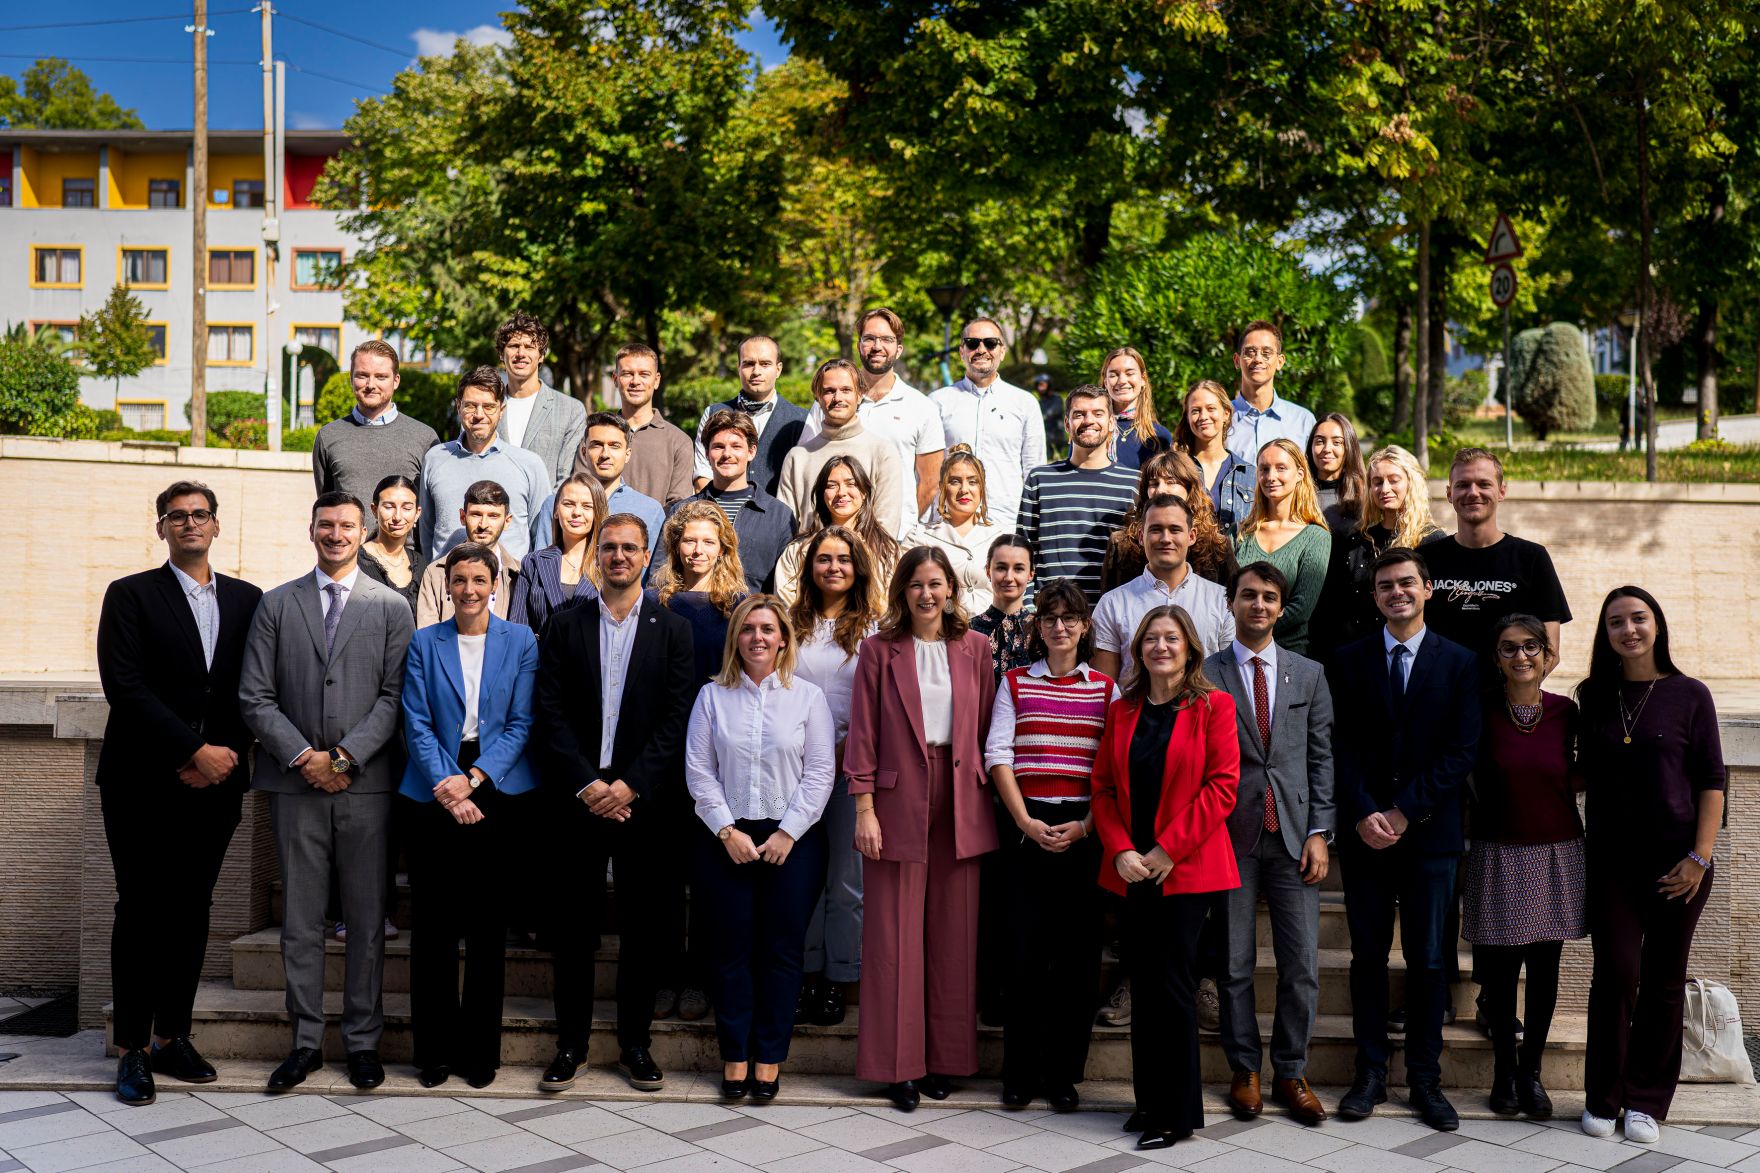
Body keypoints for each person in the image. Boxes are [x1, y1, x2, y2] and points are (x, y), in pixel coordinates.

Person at [239, 491, 415, 1093]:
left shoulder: (391, 608)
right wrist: (303, 757)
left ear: (363, 532)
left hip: (366, 787)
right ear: (310, 529)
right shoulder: (276, 605)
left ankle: (363, 1042)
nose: (335, 534)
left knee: (367, 920)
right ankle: (305, 1041)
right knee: (301, 920)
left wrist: (343, 757)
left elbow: (396, 698)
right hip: (294, 785)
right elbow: (254, 696)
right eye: (325, 525)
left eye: (346, 525)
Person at [97, 481, 264, 1107]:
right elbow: (126, 687)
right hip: (142, 781)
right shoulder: (131, 595)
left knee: (193, 909)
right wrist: (191, 751)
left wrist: (224, 756)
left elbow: (259, 687)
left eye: (200, 515)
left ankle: (174, 1037)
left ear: (217, 526)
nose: (190, 523)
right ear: (162, 528)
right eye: (177, 516)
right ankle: (132, 1049)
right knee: (140, 909)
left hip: (216, 782)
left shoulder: (249, 600)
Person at [533, 514, 696, 1093]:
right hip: (577, 799)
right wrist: (587, 784)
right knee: (573, 930)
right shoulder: (564, 623)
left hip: (643, 801)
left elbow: (678, 718)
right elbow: (547, 710)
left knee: (644, 928)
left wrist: (630, 785)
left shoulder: (672, 630)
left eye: (630, 547)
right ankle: (570, 1043)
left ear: (647, 555)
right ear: (596, 555)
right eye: (610, 547)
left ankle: (635, 1043)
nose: (619, 556)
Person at [1329, 547, 1479, 1132]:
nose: (1397, 592)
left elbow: (1461, 751)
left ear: (1428, 589)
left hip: (1430, 836)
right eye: (1386, 585)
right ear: (1375, 596)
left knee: (1429, 960)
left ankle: (1425, 1078)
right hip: (1365, 836)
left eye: (1407, 583)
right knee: (1367, 957)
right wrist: (1367, 811)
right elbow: (1337, 745)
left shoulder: (1461, 663)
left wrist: (1403, 811)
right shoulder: (1347, 661)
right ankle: (1369, 1073)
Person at [845, 545, 999, 1112]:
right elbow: (861, 733)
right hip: (895, 798)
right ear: (902, 591)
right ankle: (898, 1066)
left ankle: (946, 1061)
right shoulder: (879, 651)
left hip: (962, 795)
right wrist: (864, 809)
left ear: (952, 590)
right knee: (893, 935)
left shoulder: (976, 648)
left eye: (936, 584)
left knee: (954, 934)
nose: (927, 594)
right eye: (916, 585)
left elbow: (986, 728)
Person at [1577, 587, 1725, 1144]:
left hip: (1679, 864)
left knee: (1664, 980)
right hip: (1611, 862)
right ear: (1606, 634)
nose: (1629, 629)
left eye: (1638, 618)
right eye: (1616, 622)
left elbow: (1712, 779)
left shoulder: (1690, 694)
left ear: (1657, 625)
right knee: (1615, 974)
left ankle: (1646, 1102)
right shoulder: (1594, 695)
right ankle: (1603, 1096)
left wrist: (1699, 857)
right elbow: (1579, 772)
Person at [1091, 604, 1240, 1149]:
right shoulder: (1123, 711)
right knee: (1145, 984)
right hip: (1131, 869)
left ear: (1190, 647)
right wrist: (1122, 850)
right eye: (1151, 638)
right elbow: (1103, 789)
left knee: (1174, 987)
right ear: (1138, 650)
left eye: (1171, 638)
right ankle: (1147, 1100)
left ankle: (1176, 1114)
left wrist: (1166, 850)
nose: (1160, 647)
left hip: (1187, 870)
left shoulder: (1213, 706)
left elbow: (1222, 788)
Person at [398, 543, 540, 1090]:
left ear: (495, 584)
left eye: (479, 579)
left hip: (497, 786)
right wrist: (449, 788)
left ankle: (480, 1051)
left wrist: (474, 780)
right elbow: (415, 722)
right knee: (432, 928)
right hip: (432, 788)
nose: (469, 589)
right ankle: (432, 1051)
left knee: (486, 929)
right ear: (447, 584)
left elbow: (522, 723)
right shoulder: (424, 642)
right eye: (459, 580)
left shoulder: (522, 640)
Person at [685, 595, 835, 1101]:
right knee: (729, 951)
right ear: (735, 638)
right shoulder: (712, 697)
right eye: (748, 629)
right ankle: (735, 1055)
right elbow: (699, 770)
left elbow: (819, 773)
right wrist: (727, 831)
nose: (758, 638)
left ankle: (769, 1057)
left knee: (780, 951)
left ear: (784, 638)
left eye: (768, 629)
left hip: (793, 840)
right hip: (724, 838)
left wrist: (787, 832)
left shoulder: (808, 698)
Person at [1205, 562, 1334, 1127]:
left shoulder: (1309, 674)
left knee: (1301, 965)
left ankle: (1291, 1070)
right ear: (1231, 604)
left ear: (1282, 608)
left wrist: (1319, 833)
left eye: (1270, 598)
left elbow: (1321, 759)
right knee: (1233, 965)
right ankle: (1244, 1069)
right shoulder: (1205, 673)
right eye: (1249, 596)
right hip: (1229, 838)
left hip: (1293, 838)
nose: (1259, 605)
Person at [985, 578, 1116, 1112]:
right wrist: (1025, 822)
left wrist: (1085, 826)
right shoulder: (1015, 682)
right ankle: (1018, 1073)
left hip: (1085, 833)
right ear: (1037, 628)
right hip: (1025, 830)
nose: (1059, 627)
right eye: (1049, 619)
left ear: (1085, 627)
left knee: (1078, 961)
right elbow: (998, 754)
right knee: (1023, 957)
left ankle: (1063, 1075)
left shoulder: (1106, 690)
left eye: (1069, 619)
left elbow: (1111, 770)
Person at [1464, 615, 1584, 1122]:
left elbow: (1586, 771)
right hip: (1498, 849)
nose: (1521, 657)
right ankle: (1502, 1072)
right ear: (1497, 658)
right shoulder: (1481, 711)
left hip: (1556, 850)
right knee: (1501, 968)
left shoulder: (1566, 713)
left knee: (1544, 968)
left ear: (1546, 655)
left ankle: (1531, 1072)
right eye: (1509, 648)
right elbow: (1464, 771)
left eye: (1531, 647)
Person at [651, 502, 748, 1022]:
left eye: (708, 541)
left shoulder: (739, 606)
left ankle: (702, 976)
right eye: (689, 540)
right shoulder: (655, 602)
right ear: (676, 546)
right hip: (664, 756)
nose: (697, 550)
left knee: (710, 873)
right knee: (665, 875)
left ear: (724, 547)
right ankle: (666, 972)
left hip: (719, 757)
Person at [789, 525, 884, 1027]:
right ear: (810, 568)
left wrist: (846, 750)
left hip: (851, 769)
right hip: (796, 772)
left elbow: (876, 704)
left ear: (858, 567)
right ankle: (803, 974)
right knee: (805, 878)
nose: (833, 567)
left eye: (844, 559)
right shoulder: (791, 622)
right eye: (823, 559)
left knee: (847, 882)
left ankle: (837, 978)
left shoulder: (874, 626)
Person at [1423, 447, 1572, 677]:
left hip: (1504, 704)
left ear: (1501, 491)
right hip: (1441, 702)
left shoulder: (1531, 557)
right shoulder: (1425, 559)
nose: (1473, 492)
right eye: (1462, 485)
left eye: (1484, 484)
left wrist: (1515, 696)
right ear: (1449, 493)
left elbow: (1550, 651)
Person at [802, 307, 947, 533]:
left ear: (898, 349)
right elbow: (808, 464)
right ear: (859, 345)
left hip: (895, 538)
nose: (877, 346)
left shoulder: (921, 407)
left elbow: (930, 483)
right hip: (833, 535)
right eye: (869, 339)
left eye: (886, 339)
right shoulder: (830, 402)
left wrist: (900, 523)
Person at [1014, 384, 1140, 605]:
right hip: (1052, 617)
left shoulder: (1134, 484)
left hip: (1112, 617)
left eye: (1098, 413)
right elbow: (1023, 551)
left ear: (1111, 423)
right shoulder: (1040, 480)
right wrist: (1028, 609)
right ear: (1066, 424)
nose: (1088, 420)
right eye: (1079, 414)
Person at [1092, 495, 1234, 683]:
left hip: (1205, 711)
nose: (1166, 539)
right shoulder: (1112, 604)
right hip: (1135, 711)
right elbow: (1104, 688)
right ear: (1141, 536)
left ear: (1191, 536)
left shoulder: (1221, 601)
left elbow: (1230, 678)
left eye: (1175, 530)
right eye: (1156, 530)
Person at [418, 366, 551, 563]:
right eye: (470, 405)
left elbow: (542, 537)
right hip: (447, 585)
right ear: (458, 406)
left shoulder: (529, 465)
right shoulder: (435, 459)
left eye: (488, 407)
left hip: (511, 588)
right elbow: (426, 531)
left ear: (501, 410)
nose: (479, 414)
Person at [1324, 443, 1442, 655]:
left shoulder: (1432, 542)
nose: (1384, 489)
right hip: (1360, 655)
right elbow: (1337, 607)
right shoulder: (1355, 541)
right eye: (1377, 482)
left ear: (1411, 483)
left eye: (1393, 480)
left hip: (1416, 654)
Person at [311, 340, 439, 535]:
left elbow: (431, 512)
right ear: (351, 378)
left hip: (406, 559)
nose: (371, 385)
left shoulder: (424, 438)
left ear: (396, 381)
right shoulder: (328, 437)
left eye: (381, 377)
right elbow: (327, 506)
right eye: (362, 375)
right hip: (350, 559)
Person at [930, 317, 1047, 529]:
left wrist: (1032, 526)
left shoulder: (1024, 403)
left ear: (1002, 351)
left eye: (990, 343)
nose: (981, 349)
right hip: (948, 526)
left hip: (1005, 523)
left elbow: (1034, 472)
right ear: (962, 351)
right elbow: (928, 471)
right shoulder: (938, 402)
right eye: (973, 343)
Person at [668, 409, 794, 593]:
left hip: (754, 618)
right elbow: (663, 575)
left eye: (736, 446)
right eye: (718, 446)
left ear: (751, 452)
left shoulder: (779, 516)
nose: (727, 454)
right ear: (707, 453)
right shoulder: (681, 511)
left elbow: (788, 586)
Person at [778, 358, 906, 536]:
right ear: (818, 396)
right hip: (806, 560)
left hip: (867, 560)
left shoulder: (882, 452)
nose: (837, 398)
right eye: (829, 391)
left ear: (860, 394)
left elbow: (886, 527)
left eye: (846, 390)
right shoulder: (798, 458)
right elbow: (785, 528)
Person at [1233, 438, 1330, 655]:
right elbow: (1225, 595)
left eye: (1281, 468)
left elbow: (1301, 609)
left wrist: (1252, 630)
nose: (1271, 477)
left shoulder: (1316, 537)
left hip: (1288, 655)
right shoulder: (1240, 533)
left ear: (1299, 474)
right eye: (1264, 469)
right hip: (1238, 653)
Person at [574, 343, 694, 508]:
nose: (635, 381)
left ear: (656, 380)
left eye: (644, 374)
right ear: (615, 379)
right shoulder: (594, 437)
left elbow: (677, 508)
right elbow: (580, 493)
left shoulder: (679, 442)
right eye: (627, 374)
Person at [1101, 449, 1238, 592]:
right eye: (1154, 484)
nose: (1160, 490)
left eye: (1170, 482)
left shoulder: (1217, 546)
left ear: (1189, 488)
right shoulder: (1122, 545)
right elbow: (1109, 599)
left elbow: (1233, 601)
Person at [774, 455, 900, 609]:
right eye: (832, 485)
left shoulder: (886, 550)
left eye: (851, 484)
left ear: (864, 492)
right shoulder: (798, 551)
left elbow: (893, 607)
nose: (841, 492)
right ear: (822, 494)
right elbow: (786, 608)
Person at [693, 335, 808, 496]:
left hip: (778, 518)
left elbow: (805, 480)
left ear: (778, 369)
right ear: (738, 367)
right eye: (749, 364)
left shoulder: (801, 420)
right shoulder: (713, 413)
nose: (756, 371)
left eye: (765, 364)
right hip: (720, 516)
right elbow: (702, 474)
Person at [904, 445, 1005, 613]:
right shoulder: (920, 537)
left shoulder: (1001, 537)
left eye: (972, 482)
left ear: (982, 488)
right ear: (943, 487)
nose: (964, 490)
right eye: (955, 481)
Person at [495, 310, 588, 489]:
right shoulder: (487, 407)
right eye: (514, 346)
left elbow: (567, 478)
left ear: (541, 355)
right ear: (501, 354)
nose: (521, 353)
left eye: (529, 347)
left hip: (545, 513)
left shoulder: (571, 410)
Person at [415, 480, 522, 627]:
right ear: (463, 517)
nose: (483, 525)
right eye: (476, 514)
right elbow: (426, 637)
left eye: (493, 516)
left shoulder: (520, 575)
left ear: (507, 521)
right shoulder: (436, 573)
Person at [510, 472, 606, 635]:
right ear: (555, 510)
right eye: (568, 504)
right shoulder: (533, 563)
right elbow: (518, 631)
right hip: (541, 658)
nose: (577, 512)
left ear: (598, 513)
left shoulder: (608, 566)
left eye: (587, 506)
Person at [1226, 320, 1317, 470]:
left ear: (1280, 362)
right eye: (1250, 352)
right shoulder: (1221, 420)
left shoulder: (1303, 421)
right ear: (1237, 360)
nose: (1258, 359)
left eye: (1266, 353)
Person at [576, 412, 667, 556]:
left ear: (627, 454)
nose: (605, 454)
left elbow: (656, 573)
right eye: (597, 445)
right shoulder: (560, 505)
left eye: (614, 446)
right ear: (583, 452)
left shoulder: (650, 511)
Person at [1174, 379, 1255, 540]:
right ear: (1188, 417)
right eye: (1196, 411)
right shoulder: (1177, 470)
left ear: (1226, 414)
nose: (1203, 416)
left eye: (1211, 409)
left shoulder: (1250, 474)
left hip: (1238, 563)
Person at [357, 474, 427, 616]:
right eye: (389, 507)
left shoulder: (421, 565)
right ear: (374, 510)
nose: (397, 517)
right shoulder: (355, 561)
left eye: (407, 508)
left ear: (417, 513)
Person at [969, 533, 1035, 683]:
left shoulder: (1044, 631)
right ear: (987, 571)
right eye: (1001, 568)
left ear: (1031, 574)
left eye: (1018, 569)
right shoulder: (969, 631)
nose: (1009, 577)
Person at [1099, 346, 1173, 469]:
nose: (1122, 380)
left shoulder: (1159, 436)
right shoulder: (1092, 429)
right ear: (1106, 382)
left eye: (1129, 373)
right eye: (1114, 375)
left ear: (1143, 379)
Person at [1307, 411, 1369, 535]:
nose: (1327, 449)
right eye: (1320, 441)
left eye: (1337, 442)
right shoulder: (1296, 494)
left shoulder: (1365, 496)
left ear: (1349, 448)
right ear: (1311, 447)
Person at [1034, 372, 1064, 459]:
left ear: (1049, 385)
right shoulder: (1040, 402)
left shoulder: (1056, 398)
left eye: (1042, 384)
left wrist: (1042, 417)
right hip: (1044, 434)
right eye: (1038, 385)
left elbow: (1054, 411)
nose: (1040, 387)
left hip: (1055, 433)